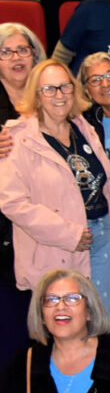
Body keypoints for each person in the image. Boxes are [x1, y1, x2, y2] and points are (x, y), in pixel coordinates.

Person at [0, 59, 110, 311]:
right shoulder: (18, 137)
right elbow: (12, 203)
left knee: (99, 320)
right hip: (56, 246)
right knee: (65, 326)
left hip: (101, 236)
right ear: (36, 94)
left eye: (65, 87)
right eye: (49, 89)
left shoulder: (83, 127)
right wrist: (68, 234)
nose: (59, 95)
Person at [0, 23, 45, 370]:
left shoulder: (52, 96)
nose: (16, 57)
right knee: (11, 330)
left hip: (47, 227)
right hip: (4, 232)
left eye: (23, 50)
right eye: (7, 51)